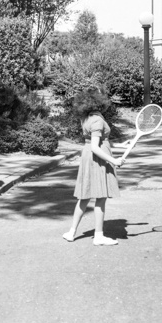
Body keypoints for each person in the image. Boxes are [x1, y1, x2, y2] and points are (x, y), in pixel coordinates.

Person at [62, 90, 125, 247]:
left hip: (88, 157)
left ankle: (71, 232)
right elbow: (96, 148)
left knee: (84, 197)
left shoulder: (87, 118)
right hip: (96, 159)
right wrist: (114, 161)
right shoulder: (97, 119)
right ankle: (99, 236)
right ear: (99, 103)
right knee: (100, 197)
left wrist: (121, 145)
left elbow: (97, 141)